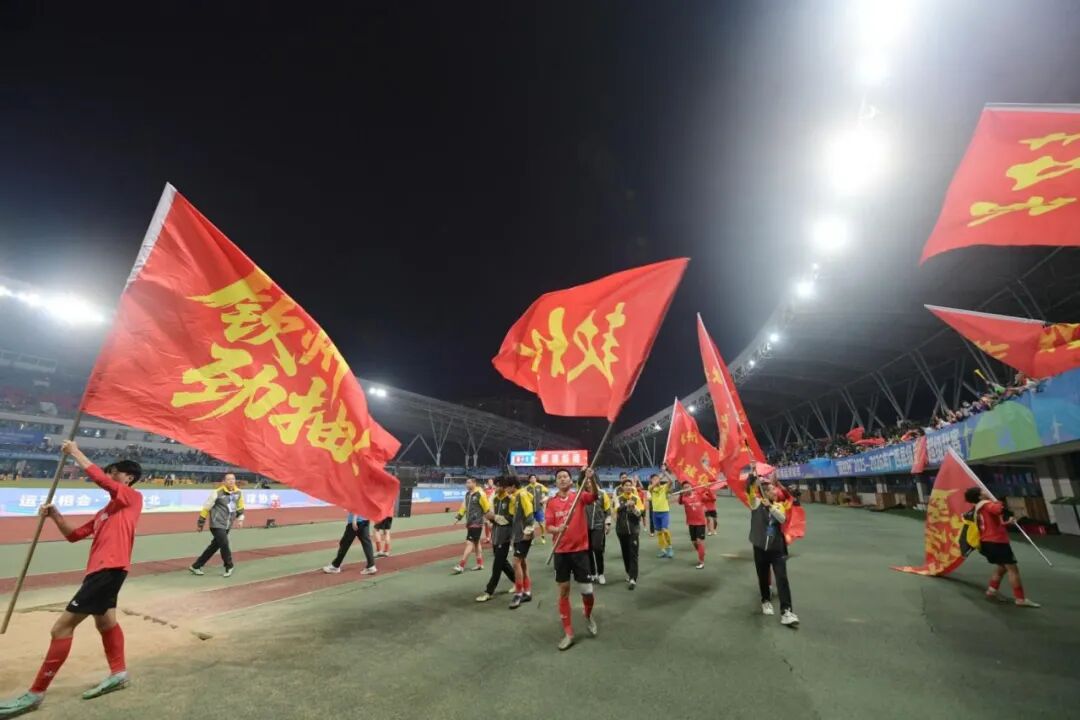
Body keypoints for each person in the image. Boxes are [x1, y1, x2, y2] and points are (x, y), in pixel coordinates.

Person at [0, 441, 142, 718]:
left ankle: (36, 693)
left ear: (129, 478)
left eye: (116, 472)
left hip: (108, 570)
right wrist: (55, 515)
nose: (111, 475)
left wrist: (75, 452)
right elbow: (74, 536)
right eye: (110, 471)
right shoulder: (105, 512)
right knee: (106, 622)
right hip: (103, 572)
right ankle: (119, 673)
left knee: (61, 629)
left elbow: (102, 481)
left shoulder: (131, 498)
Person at [546, 467, 599, 651]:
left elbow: (594, 496)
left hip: (580, 551)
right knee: (563, 591)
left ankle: (588, 614)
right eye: (559, 477)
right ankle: (569, 632)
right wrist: (557, 529)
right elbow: (549, 526)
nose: (562, 479)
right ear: (556, 482)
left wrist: (591, 479)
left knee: (587, 591)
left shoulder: (579, 496)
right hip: (560, 552)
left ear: (570, 480)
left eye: (565, 476)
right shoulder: (551, 503)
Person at [963, 486, 1040, 608]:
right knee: (1013, 570)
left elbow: (991, 524)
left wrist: (1006, 523)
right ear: (979, 496)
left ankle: (992, 591)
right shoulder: (987, 504)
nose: (985, 491)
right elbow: (999, 509)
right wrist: (997, 502)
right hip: (997, 542)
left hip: (987, 543)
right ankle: (1020, 599)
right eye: (982, 491)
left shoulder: (978, 508)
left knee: (1002, 567)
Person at [747, 470, 799, 627]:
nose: (775, 492)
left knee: (782, 578)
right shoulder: (756, 503)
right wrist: (752, 478)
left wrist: (770, 507)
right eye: (771, 490)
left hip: (776, 549)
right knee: (763, 577)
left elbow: (782, 519)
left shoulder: (778, 506)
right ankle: (765, 600)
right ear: (765, 492)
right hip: (760, 548)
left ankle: (786, 612)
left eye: (774, 490)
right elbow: (749, 491)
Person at [188, 473, 245, 578]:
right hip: (216, 524)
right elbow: (206, 508)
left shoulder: (238, 492)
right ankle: (229, 566)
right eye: (228, 479)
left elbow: (240, 507)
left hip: (228, 524)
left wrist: (240, 519)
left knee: (214, 547)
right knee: (224, 543)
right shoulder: (217, 493)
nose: (231, 481)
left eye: (233, 479)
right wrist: (200, 523)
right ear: (224, 481)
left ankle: (196, 566)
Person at [476, 476, 516, 602]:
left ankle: (489, 591)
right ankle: (518, 582)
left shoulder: (510, 499)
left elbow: (511, 519)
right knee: (502, 563)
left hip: (505, 536)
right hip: (496, 536)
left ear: (504, 487)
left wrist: (494, 517)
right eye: (495, 485)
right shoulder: (495, 499)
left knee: (497, 565)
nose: (495, 488)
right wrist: (490, 519)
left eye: (498, 486)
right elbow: (493, 517)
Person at [508, 476, 537, 609]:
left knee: (516, 562)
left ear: (513, 486)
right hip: (518, 535)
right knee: (523, 563)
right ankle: (527, 592)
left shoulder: (523, 495)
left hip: (524, 535)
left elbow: (529, 514)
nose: (506, 490)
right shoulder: (517, 496)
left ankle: (518, 594)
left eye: (507, 487)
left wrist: (528, 531)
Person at [452, 477, 489, 574]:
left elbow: (486, 508)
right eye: (466, 483)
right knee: (476, 543)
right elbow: (464, 507)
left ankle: (461, 565)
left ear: (474, 483)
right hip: (470, 522)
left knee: (469, 543)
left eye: (469, 483)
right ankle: (480, 564)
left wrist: (489, 520)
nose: (467, 484)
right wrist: (458, 517)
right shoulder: (468, 494)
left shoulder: (480, 494)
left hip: (476, 522)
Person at [322, 510, 377, 575]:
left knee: (344, 544)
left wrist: (354, 520)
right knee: (366, 544)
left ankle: (335, 566)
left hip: (355, 522)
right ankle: (371, 566)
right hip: (365, 520)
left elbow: (357, 507)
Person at [614, 477, 644, 589]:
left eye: (629, 485)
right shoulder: (618, 498)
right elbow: (617, 509)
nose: (628, 487)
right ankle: (629, 572)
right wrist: (626, 505)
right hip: (621, 531)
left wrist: (633, 507)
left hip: (633, 531)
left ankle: (633, 578)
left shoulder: (636, 498)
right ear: (622, 487)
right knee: (625, 554)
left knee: (633, 554)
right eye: (626, 485)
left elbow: (640, 513)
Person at [679, 480, 714, 569]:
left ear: (691, 487)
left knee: (699, 541)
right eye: (684, 488)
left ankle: (701, 561)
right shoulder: (684, 498)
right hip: (691, 523)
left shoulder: (699, 495)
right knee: (694, 542)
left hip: (700, 522)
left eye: (688, 487)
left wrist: (708, 489)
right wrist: (680, 494)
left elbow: (712, 499)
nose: (686, 488)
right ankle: (701, 552)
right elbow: (680, 502)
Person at [586, 479, 613, 584]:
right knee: (587, 550)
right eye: (586, 482)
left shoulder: (602, 494)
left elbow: (607, 510)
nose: (588, 484)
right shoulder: (582, 494)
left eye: (590, 482)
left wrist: (607, 523)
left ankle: (601, 573)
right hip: (585, 527)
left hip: (598, 526)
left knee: (597, 548)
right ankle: (592, 573)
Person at [649, 471, 673, 558]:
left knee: (665, 530)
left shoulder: (664, 487)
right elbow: (653, 486)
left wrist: (664, 472)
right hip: (655, 513)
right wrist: (659, 478)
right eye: (653, 479)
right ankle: (663, 551)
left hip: (664, 512)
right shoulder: (650, 488)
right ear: (651, 481)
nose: (655, 480)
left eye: (656, 478)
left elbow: (671, 481)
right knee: (659, 533)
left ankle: (669, 548)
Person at [526, 474, 549, 544]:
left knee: (541, 524)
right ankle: (532, 538)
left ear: (536, 479)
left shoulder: (540, 486)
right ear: (529, 480)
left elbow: (547, 493)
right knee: (531, 525)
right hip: (530, 510)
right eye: (531, 478)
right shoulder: (527, 488)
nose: (533, 479)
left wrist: (544, 499)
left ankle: (543, 537)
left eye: (534, 478)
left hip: (539, 509)